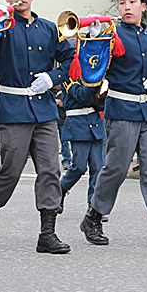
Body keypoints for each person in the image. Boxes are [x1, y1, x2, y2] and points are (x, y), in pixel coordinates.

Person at [0, 0, 74, 254]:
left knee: (50, 169)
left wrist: (52, 78)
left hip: (44, 109)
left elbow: (70, 60)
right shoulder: (1, 25)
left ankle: (47, 233)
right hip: (13, 108)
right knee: (10, 170)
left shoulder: (49, 29)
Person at [80, 0, 147, 249]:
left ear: (143, 6)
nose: (126, 7)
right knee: (116, 168)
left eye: (132, 2)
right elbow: (93, 68)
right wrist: (94, 41)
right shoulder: (111, 34)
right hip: (122, 109)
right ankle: (94, 216)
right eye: (122, 2)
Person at [57, 79, 106, 214]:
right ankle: (61, 188)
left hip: (94, 123)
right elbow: (82, 95)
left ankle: (94, 206)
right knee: (79, 167)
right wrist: (95, 85)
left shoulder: (92, 77)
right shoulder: (68, 77)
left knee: (98, 167)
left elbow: (99, 104)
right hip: (77, 124)